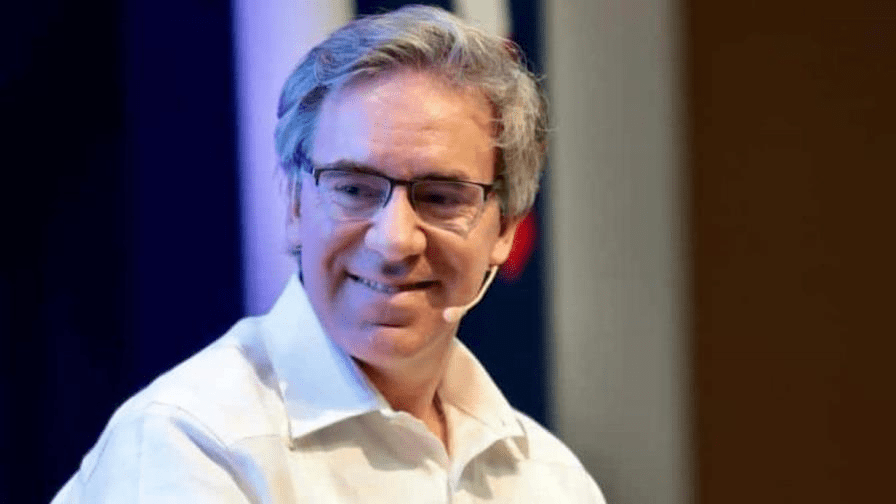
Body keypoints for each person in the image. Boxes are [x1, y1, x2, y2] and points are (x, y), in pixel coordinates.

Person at [52, 5, 605, 503]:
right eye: (354, 189)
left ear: (505, 229)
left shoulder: (552, 480)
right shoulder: (193, 442)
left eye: (441, 197)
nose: (395, 240)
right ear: (295, 204)